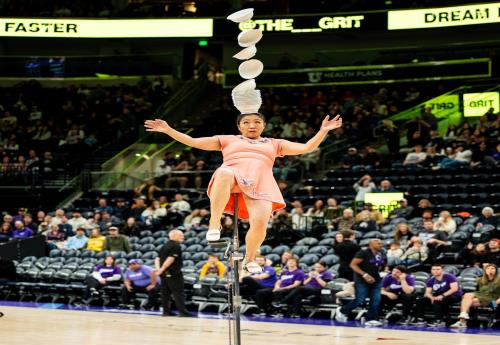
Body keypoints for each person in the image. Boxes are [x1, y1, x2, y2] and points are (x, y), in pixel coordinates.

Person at [144, 112, 342, 274]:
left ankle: (250, 258)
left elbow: (306, 148)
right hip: (233, 175)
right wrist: (168, 130)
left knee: (260, 223)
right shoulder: (227, 139)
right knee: (223, 172)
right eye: (246, 122)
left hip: (260, 183)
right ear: (239, 126)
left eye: (257, 122)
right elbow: (193, 141)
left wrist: (323, 130)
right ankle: (214, 222)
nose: (252, 125)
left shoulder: (274, 143)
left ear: (264, 125)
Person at [335, 239, 385, 326]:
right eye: (378, 243)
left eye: (381, 243)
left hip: (376, 279)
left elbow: (381, 265)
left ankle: (371, 319)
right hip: (361, 279)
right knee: (360, 299)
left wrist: (384, 271)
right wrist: (365, 274)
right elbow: (353, 265)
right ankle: (342, 310)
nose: (381, 245)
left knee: (376, 299)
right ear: (371, 244)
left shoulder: (381, 253)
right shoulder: (363, 252)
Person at [450, 264, 500, 329]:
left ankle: (462, 321)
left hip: (493, 298)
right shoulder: (480, 279)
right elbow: (478, 290)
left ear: (496, 270)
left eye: (492, 268)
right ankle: (463, 315)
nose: (490, 270)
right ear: (485, 270)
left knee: (466, 302)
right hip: (481, 295)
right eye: (488, 268)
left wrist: (496, 302)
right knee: (467, 295)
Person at [155, 229, 190, 317]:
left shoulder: (165, 245)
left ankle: (166, 312)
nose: (183, 237)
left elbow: (157, 259)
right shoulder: (176, 246)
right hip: (173, 273)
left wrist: (159, 269)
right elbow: (170, 259)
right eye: (180, 235)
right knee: (178, 293)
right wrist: (161, 269)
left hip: (164, 274)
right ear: (173, 236)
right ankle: (183, 312)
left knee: (165, 293)